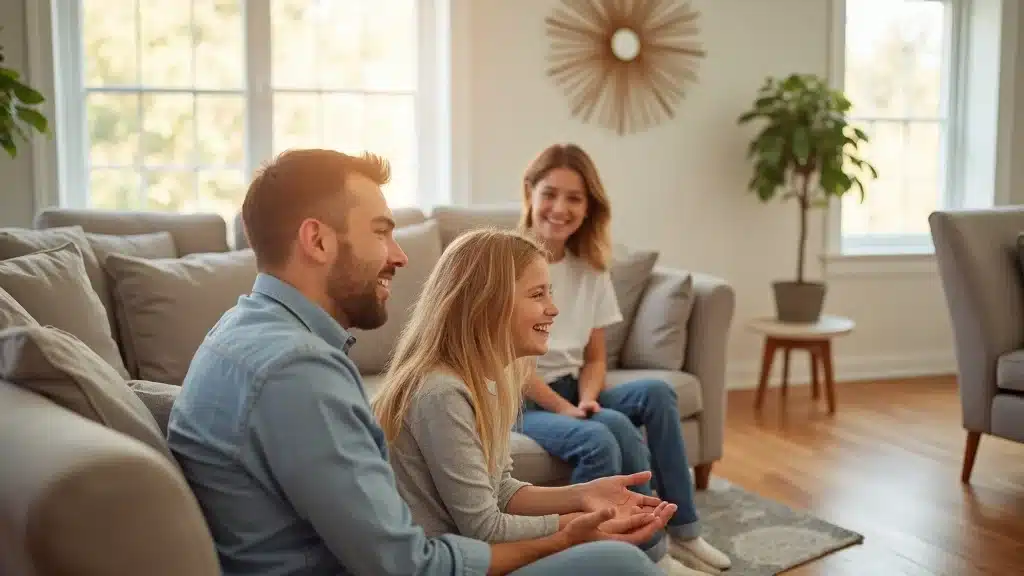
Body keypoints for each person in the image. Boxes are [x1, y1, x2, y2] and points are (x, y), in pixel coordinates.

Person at [166, 148, 674, 576]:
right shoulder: (297, 372)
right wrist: (568, 535)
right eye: (381, 232)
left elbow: (476, 501)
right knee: (620, 563)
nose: (400, 254)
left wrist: (581, 501)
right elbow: (409, 564)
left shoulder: (245, 331)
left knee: (620, 553)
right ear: (317, 240)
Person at [371, 228, 708, 576]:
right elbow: (485, 529)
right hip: (456, 566)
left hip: (477, 558)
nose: (553, 308)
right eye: (537, 294)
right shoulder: (442, 394)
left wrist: (583, 494)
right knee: (624, 562)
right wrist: (576, 526)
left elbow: (500, 490)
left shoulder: (487, 384)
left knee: (621, 560)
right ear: (487, 304)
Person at [514, 143, 732, 574]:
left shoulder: (590, 269)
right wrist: (568, 410)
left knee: (657, 393)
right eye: (550, 193)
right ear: (530, 194)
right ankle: (652, 553)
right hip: (521, 400)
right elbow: (511, 364)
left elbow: (595, 357)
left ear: (589, 206)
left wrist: (588, 399)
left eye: (574, 198)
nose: (560, 208)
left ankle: (685, 532)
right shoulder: (510, 262)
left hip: (573, 387)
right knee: (609, 429)